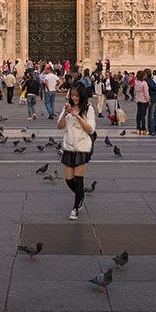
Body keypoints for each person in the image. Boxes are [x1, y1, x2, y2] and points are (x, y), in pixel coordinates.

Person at [57, 81, 96, 220]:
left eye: (77, 95)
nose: (74, 98)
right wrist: (65, 114)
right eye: (72, 95)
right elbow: (60, 126)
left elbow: (90, 129)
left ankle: (75, 209)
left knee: (79, 180)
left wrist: (78, 116)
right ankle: (80, 195)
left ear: (82, 95)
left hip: (82, 146)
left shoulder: (88, 109)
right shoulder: (67, 107)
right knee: (69, 180)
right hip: (68, 145)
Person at [145, 69, 156, 135]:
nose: (151, 73)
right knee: (152, 114)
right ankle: (151, 129)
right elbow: (154, 87)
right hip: (153, 98)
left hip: (155, 98)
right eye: (149, 72)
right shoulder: (148, 80)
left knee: (154, 114)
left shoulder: (149, 79)